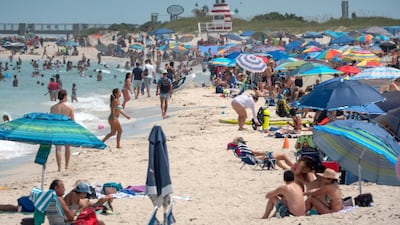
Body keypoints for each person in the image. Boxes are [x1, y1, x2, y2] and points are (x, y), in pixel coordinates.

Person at [230, 137, 294, 170]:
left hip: (254, 159)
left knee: (276, 157)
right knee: (283, 155)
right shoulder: (246, 150)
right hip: (258, 159)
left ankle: (284, 168)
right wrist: (265, 152)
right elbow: (257, 153)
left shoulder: (239, 150)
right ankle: (293, 167)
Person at [50, 89, 75, 172]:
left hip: (57, 128)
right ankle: (67, 166)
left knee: (58, 149)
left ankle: (59, 167)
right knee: (67, 147)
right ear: (65, 96)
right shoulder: (70, 107)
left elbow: (51, 120)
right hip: (66, 129)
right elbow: (73, 121)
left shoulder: (53, 108)